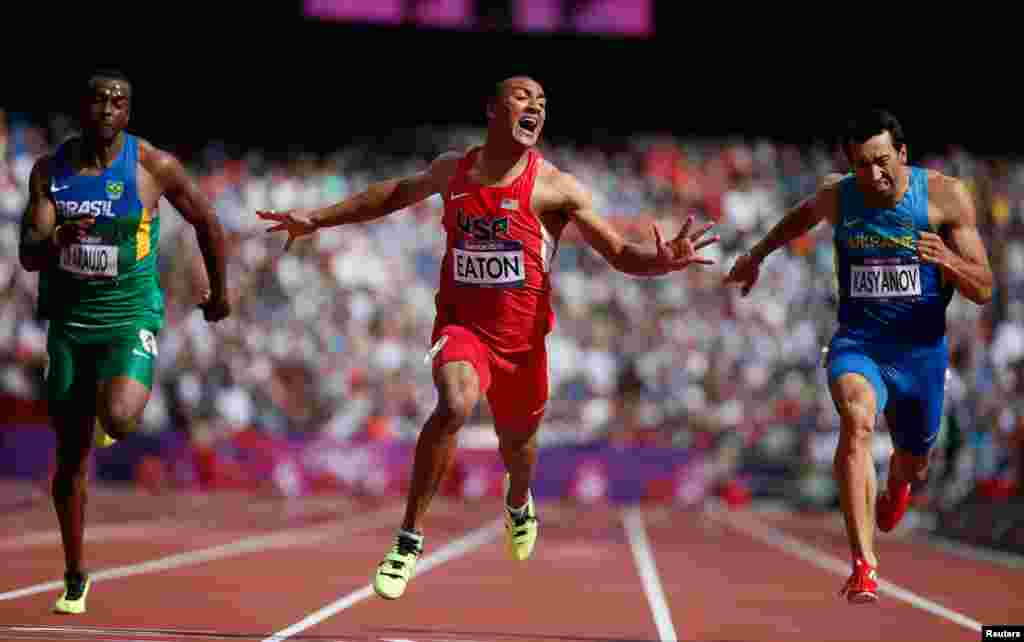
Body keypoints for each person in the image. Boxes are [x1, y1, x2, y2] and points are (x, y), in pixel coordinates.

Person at [259, 75, 718, 600]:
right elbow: (391, 195)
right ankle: (407, 541)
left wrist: (661, 261)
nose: (536, 107)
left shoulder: (555, 187)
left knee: (519, 451)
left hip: (523, 347)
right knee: (454, 403)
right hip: (463, 329)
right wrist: (316, 218)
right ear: (492, 108)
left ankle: (518, 503)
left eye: (543, 103)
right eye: (524, 97)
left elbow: (617, 252)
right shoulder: (452, 171)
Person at [725, 109, 993, 604]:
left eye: (882, 161)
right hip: (860, 343)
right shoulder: (839, 194)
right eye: (861, 165)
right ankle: (864, 565)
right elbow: (799, 218)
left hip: (921, 355)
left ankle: (898, 489)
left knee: (914, 465)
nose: (873, 175)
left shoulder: (944, 196)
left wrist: (949, 261)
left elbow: (984, 289)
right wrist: (756, 255)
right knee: (857, 420)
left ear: (903, 154)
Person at [18, 68, 231, 614]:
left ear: (129, 113)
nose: (109, 109)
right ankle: (74, 572)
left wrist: (219, 293)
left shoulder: (153, 166)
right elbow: (29, 253)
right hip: (69, 322)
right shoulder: (50, 171)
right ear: (83, 108)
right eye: (99, 100)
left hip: (128, 314)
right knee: (68, 460)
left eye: (119, 102)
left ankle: (107, 412)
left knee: (119, 418)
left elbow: (207, 222)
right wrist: (56, 239)